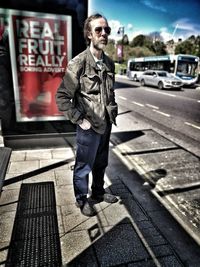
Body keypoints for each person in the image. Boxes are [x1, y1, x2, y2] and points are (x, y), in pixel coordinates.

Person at [56, 13, 118, 217]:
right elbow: (62, 97)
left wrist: (112, 110)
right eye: (99, 30)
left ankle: (98, 193)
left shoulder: (110, 64)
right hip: (88, 126)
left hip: (106, 124)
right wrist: (80, 120)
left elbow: (110, 93)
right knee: (83, 166)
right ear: (89, 34)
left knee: (101, 163)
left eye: (106, 30)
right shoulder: (79, 63)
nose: (104, 34)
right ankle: (81, 199)